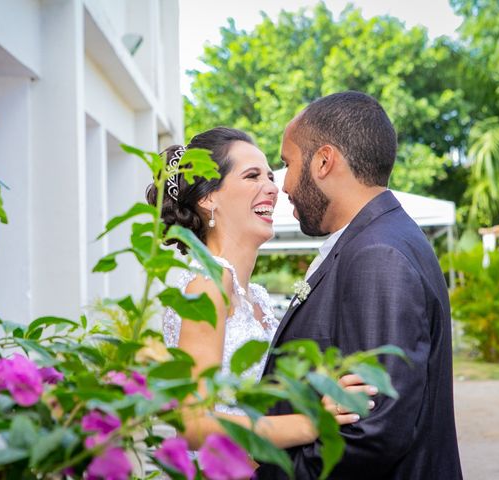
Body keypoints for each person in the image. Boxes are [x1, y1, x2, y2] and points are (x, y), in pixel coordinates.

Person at [256, 92, 463, 479]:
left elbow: (372, 430)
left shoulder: (378, 253)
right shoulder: (382, 237)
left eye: (287, 164)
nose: (282, 186)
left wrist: (270, 472)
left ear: (323, 161)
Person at [146, 127, 374, 451]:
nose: (272, 188)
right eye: (252, 176)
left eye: (269, 176)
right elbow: (194, 423)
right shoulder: (207, 286)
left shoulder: (257, 296)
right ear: (208, 197)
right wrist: (311, 422)